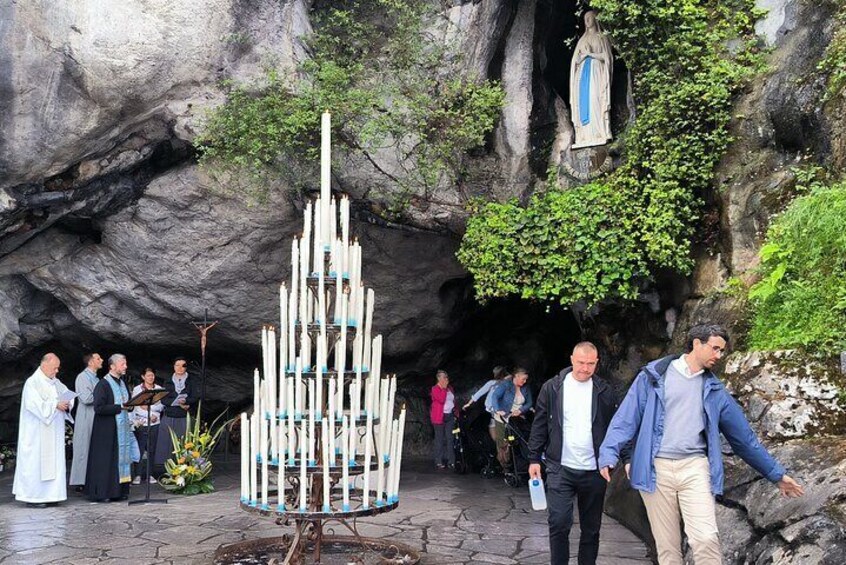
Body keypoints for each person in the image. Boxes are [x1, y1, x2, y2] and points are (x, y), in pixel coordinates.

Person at [598, 324, 805, 565]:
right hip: (656, 470)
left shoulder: (716, 390)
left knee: (705, 539)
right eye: (715, 348)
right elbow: (626, 418)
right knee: (667, 548)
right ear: (697, 343)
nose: (719, 355)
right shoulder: (653, 376)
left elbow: (745, 440)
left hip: (695, 468)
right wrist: (609, 452)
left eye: (722, 351)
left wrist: (776, 474)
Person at [528, 342, 617, 565]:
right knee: (559, 522)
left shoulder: (605, 391)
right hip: (561, 467)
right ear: (571, 360)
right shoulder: (553, 388)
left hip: (594, 470)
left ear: (597, 363)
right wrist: (534, 458)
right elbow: (539, 424)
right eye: (581, 363)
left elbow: (616, 427)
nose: (585, 368)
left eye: (590, 364)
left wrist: (618, 458)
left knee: (591, 529)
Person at [13, 353, 74, 506]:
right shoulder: (33, 383)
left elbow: (68, 395)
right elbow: (33, 405)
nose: (57, 371)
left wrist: (67, 402)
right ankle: (34, 497)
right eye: (55, 368)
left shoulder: (56, 382)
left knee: (54, 462)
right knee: (36, 462)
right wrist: (55, 405)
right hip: (37, 433)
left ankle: (52, 496)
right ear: (45, 364)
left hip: (54, 431)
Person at [85, 353, 134, 502]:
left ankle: (119, 491)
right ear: (112, 366)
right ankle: (103, 493)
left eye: (125, 364)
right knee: (106, 461)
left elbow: (128, 402)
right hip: (106, 429)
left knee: (119, 459)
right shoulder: (103, 384)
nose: (125, 367)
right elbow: (99, 407)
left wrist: (131, 406)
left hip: (121, 427)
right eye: (122, 364)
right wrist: (120, 407)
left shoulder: (122, 383)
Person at [154, 357, 199, 467]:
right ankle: (167, 469)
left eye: (182, 365)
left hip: (184, 416)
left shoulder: (192, 380)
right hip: (170, 415)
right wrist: (176, 402)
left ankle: (185, 469)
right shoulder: (168, 381)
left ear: (186, 367)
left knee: (184, 444)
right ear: (173, 367)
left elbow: (196, 396)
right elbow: (164, 399)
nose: (179, 368)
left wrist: (186, 402)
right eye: (177, 365)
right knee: (166, 444)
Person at [69, 352, 103, 491]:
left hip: (96, 416)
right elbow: (86, 398)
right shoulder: (82, 377)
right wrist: (103, 396)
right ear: (90, 362)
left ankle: (92, 477)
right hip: (86, 417)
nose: (101, 360)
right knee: (83, 447)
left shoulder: (96, 378)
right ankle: (80, 480)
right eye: (98, 358)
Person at [488, 367, 533, 468]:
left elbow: (529, 402)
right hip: (503, 417)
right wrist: (497, 409)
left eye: (526, 379)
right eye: (523, 379)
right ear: (516, 376)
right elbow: (495, 396)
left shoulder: (526, 387)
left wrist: (521, 410)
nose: (525, 381)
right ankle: (505, 465)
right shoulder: (505, 384)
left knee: (520, 440)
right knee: (502, 442)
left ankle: (520, 463)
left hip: (517, 417)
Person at [131, 367, 164, 485]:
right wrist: (149, 414)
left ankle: (150, 474)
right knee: (139, 449)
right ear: (143, 377)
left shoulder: (158, 389)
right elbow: (137, 407)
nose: (151, 377)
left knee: (152, 449)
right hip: (141, 422)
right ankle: (138, 474)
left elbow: (160, 406)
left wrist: (150, 408)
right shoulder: (137, 389)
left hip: (155, 422)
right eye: (149, 375)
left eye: (153, 375)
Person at [463, 366, 510, 442]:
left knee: (499, 427)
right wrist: (469, 403)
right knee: (494, 426)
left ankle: (503, 444)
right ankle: (500, 444)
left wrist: (469, 403)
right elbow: (479, 393)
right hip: (493, 410)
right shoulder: (493, 383)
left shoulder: (506, 383)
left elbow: (479, 393)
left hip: (499, 410)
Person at [430, 370, 458, 469]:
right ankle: (438, 461)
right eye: (444, 377)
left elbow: (454, 401)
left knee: (450, 438)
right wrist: (443, 388)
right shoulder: (435, 389)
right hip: (439, 417)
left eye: (447, 377)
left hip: (449, 415)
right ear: (439, 378)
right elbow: (441, 400)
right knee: (439, 439)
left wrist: (456, 413)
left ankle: (452, 461)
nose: (446, 379)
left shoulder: (450, 388)